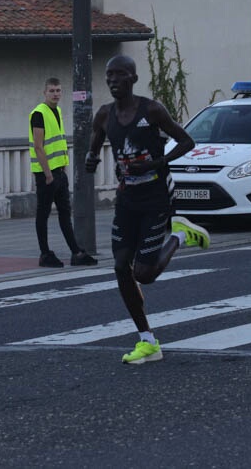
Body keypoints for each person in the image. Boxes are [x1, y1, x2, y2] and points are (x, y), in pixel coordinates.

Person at [84, 55, 211, 365]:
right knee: (120, 266)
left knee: (145, 273)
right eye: (109, 75)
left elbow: (186, 141)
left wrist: (154, 163)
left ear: (133, 79)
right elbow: (96, 141)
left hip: (156, 197)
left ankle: (180, 236)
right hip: (127, 199)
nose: (113, 80)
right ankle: (147, 340)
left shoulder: (151, 110)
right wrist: (92, 159)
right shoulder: (103, 114)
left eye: (120, 75)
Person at [29, 77, 97, 268]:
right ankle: (45, 254)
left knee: (65, 213)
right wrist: (48, 174)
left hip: (59, 172)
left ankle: (76, 252)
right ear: (45, 93)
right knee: (43, 214)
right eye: (52, 91)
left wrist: (62, 168)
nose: (56, 94)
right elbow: (38, 146)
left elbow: (57, 141)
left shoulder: (57, 110)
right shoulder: (38, 113)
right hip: (46, 174)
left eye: (58, 90)